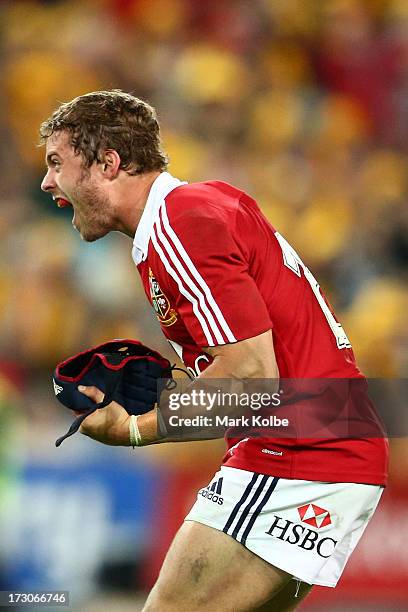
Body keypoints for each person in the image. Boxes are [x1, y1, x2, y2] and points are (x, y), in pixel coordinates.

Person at [40, 90, 388, 611]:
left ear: (108, 164)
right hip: (318, 440)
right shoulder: (194, 211)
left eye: (56, 163)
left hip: (300, 451)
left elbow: (250, 375)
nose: (46, 182)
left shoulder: (180, 221)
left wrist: (138, 427)